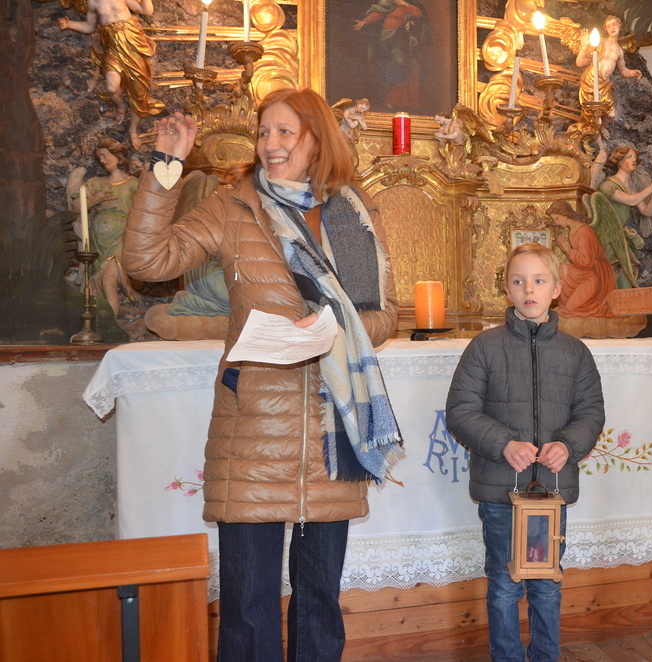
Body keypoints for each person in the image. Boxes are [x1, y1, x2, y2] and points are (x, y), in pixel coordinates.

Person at [122, 88, 401, 662]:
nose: (270, 144)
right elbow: (148, 262)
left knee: (319, 601)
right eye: (263, 132)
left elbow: (385, 314)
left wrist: (332, 328)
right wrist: (166, 168)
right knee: (248, 608)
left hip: (331, 433)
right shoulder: (234, 206)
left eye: (284, 132)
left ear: (316, 141)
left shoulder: (353, 211)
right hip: (254, 428)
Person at [445, 242, 605, 662]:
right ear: (507, 288)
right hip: (501, 493)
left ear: (556, 289)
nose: (528, 289)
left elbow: (591, 413)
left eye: (538, 280)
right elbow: (460, 411)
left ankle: (546, 656)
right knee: (503, 583)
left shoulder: (575, 352)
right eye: (518, 281)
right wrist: (504, 444)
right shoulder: (484, 347)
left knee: (547, 583)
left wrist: (567, 445)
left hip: (550, 493)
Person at [59, 0, 165, 150]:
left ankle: (133, 130)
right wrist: (69, 24)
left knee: (139, 92)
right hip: (113, 50)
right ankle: (121, 106)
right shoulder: (93, 3)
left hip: (132, 44)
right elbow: (89, 27)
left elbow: (146, 11)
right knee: (111, 87)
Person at [586, 144, 652, 288]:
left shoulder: (630, 189)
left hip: (620, 238)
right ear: (619, 161)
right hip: (607, 239)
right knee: (613, 276)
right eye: (629, 157)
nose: (633, 159)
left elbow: (646, 212)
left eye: (634, 157)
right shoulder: (608, 185)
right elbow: (631, 201)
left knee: (625, 277)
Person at [70, 138, 139, 317]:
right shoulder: (95, 183)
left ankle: (111, 325)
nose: (102, 160)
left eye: (104, 155)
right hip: (96, 242)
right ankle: (99, 325)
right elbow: (76, 206)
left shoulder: (133, 184)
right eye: (99, 157)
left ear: (118, 156)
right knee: (95, 286)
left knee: (108, 282)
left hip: (120, 239)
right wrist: (94, 200)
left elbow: (144, 211)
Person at [546, 200, 616, 318]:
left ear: (565, 215)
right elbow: (580, 261)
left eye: (557, 219)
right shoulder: (573, 230)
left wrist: (568, 249)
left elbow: (586, 262)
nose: (556, 223)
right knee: (560, 269)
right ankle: (569, 304)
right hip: (586, 271)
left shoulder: (584, 232)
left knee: (569, 306)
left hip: (597, 275)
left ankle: (574, 306)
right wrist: (567, 250)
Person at [574, 15, 641, 122]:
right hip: (590, 81)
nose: (612, 28)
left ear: (620, 25)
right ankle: (595, 132)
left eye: (614, 24)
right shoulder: (598, 43)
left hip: (604, 85)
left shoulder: (619, 50)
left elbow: (623, 70)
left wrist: (633, 72)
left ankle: (601, 128)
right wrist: (584, 47)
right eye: (608, 26)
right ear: (605, 29)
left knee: (611, 115)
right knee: (591, 114)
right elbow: (580, 63)